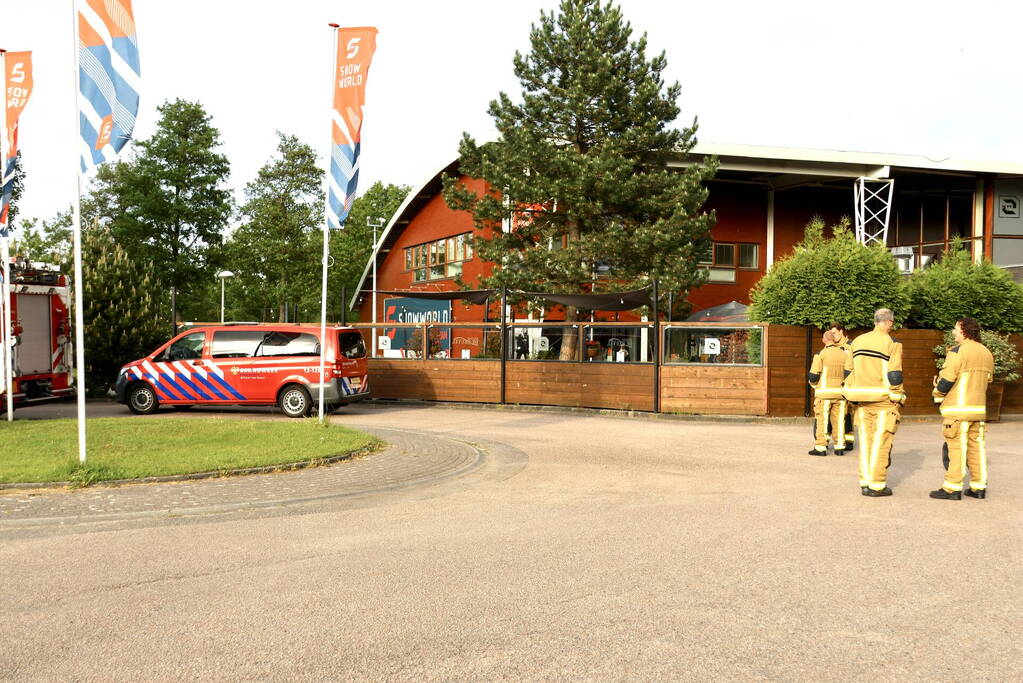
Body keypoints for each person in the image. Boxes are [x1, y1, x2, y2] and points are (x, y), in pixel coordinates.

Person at [842, 309, 906, 497]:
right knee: (882, 442)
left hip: (861, 401)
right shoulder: (892, 343)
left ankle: (865, 481)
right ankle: (877, 484)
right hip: (883, 401)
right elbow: (895, 374)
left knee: (866, 443)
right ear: (889, 322)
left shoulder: (857, 341)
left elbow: (848, 371)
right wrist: (898, 396)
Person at [929, 317, 994, 500]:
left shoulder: (957, 352)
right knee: (977, 448)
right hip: (978, 410)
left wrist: (937, 395)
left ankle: (952, 488)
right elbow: (988, 380)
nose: (953, 332)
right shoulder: (986, 353)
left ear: (964, 331)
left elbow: (947, 381)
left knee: (956, 448)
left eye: (956, 329)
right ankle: (978, 487)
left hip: (958, 411)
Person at [807, 329, 850, 456]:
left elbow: (813, 376)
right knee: (839, 421)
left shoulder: (821, 354)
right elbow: (849, 374)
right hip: (841, 394)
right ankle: (840, 447)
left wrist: (815, 386)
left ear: (824, 340)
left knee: (823, 421)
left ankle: (821, 447)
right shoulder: (845, 354)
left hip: (825, 394)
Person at [829, 322, 855, 451]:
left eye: (834, 333)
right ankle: (834, 440)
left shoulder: (851, 345)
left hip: (848, 383)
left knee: (847, 413)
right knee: (833, 414)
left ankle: (849, 441)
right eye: (831, 333)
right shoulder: (831, 346)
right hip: (835, 385)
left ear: (841, 331)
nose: (833, 336)